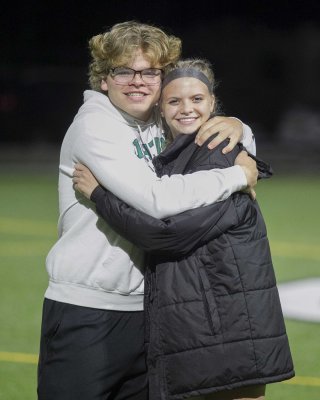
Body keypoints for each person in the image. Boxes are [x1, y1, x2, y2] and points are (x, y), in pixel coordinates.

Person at [37, 21, 258, 400]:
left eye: (150, 72)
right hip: (87, 310)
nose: (137, 81)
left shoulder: (158, 120)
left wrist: (239, 126)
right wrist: (236, 175)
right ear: (104, 79)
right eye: (124, 71)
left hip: (151, 312)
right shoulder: (95, 125)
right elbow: (156, 202)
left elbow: (215, 129)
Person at [73, 59, 294, 400]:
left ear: (212, 103)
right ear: (160, 108)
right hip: (206, 325)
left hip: (227, 329)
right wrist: (240, 126)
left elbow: (165, 234)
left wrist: (100, 196)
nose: (186, 109)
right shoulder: (176, 155)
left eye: (197, 100)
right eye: (175, 101)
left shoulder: (218, 155)